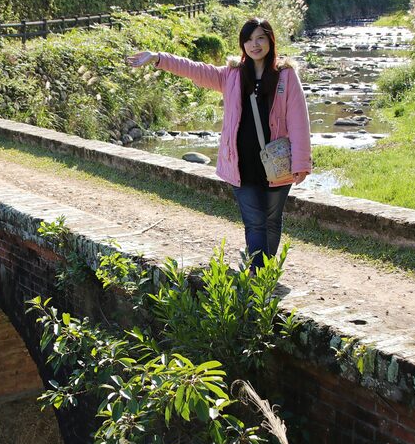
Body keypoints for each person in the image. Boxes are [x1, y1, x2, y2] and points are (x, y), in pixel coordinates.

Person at [128, 17, 311, 269]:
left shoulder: (285, 76)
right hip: (242, 163)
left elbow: (299, 119)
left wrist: (301, 162)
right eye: (248, 40)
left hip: (277, 162)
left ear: (270, 40)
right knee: (255, 222)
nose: (254, 44)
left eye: (260, 38)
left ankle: (265, 272)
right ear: (242, 45)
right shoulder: (232, 75)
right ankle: (258, 278)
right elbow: (196, 69)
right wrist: (158, 57)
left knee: (272, 219)